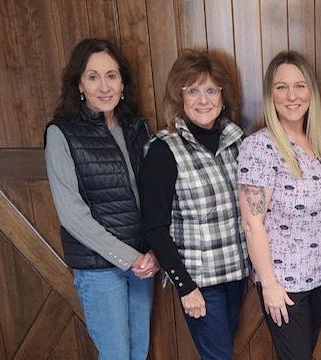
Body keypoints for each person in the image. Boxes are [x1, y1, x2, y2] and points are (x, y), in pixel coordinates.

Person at [44, 38, 159, 360]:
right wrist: (129, 258)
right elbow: (72, 214)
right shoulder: (61, 133)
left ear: (123, 82)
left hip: (142, 262)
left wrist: (152, 251)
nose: (104, 86)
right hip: (100, 269)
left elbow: (151, 194)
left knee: (139, 351)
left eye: (111, 75)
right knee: (116, 355)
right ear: (79, 83)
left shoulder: (136, 127)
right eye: (93, 76)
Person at [139, 48, 249, 360]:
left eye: (211, 90)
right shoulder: (164, 150)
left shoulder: (237, 141)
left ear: (223, 96)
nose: (203, 100)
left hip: (235, 275)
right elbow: (155, 229)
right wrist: (185, 287)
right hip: (200, 283)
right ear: (180, 96)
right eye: (193, 90)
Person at [237, 50, 321, 360]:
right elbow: (251, 223)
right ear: (271, 94)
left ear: (312, 92)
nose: (291, 96)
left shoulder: (320, 141)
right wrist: (268, 284)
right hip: (284, 284)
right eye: (281, 87)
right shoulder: (260, 147)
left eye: (300, 85)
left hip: (319, 276)